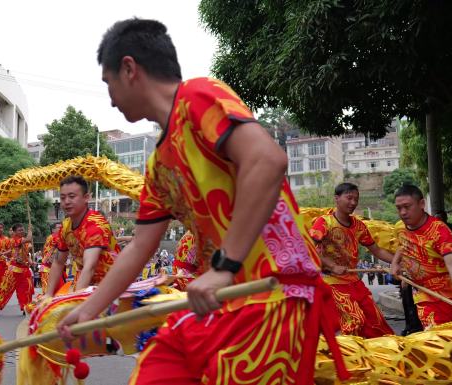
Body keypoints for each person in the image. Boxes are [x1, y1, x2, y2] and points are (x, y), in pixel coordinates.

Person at [57, 19, 348, 385]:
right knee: (154, 371)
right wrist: (89, 308)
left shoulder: (197, 96)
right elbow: (142, 245)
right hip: (218, 299)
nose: (110, 97)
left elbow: (267, 160)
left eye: (108, 82)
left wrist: (225, 264)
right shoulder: (157, 165)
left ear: (129, 68)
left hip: (270, 291)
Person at [390, 185, 452, 328]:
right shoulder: (399, 227)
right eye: (399, 208)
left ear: (422, 204)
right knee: (436, 342)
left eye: (407, 207)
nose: (403, 212)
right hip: (424, 294)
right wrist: (395, 262)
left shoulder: (439, 230)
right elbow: (402, 245)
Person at [309, 183, 394, 337]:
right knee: (355, 321)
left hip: (354, 282)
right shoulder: (324, 222)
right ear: (336, 198)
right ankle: (350, 358)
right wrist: (331, 265)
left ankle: (373, 358)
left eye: (356, 199)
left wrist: (398, 262)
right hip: (331, 282)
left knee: (378, 324)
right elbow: (307, 249)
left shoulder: (359, 226)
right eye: (349, 198)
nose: (353, 203)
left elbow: (377, 250)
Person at [44, 176, 120, 296]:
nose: (66, 201)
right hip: (87, 285)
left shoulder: (95, 224)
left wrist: (75, 300)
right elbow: (58, 263)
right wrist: (47, 295)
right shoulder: (65, 226)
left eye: (72, 196)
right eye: (63, 198)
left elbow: (89, 267)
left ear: (86, 198)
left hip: (113, 285)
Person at [0, 223, 34, 315]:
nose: (22, 231)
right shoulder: (14, 240)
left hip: (25, 270)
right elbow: (29, 239)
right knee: (5, 290)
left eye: (23, 230)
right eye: (19, 230)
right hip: (13, 271)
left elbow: (26, 254)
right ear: (14, 232)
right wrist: (30, 230)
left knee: (25, 291)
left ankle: (25, 308)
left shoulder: (24, 242)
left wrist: (30, 261)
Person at [40, 222, 64, 294]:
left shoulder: (53, 237)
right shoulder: (54, 236)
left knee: (59, 292)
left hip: (53, 268)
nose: (61, 229)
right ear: (53, 230)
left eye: (62, 227)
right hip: (47, 268)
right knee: (48, 294)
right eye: (59, 227)